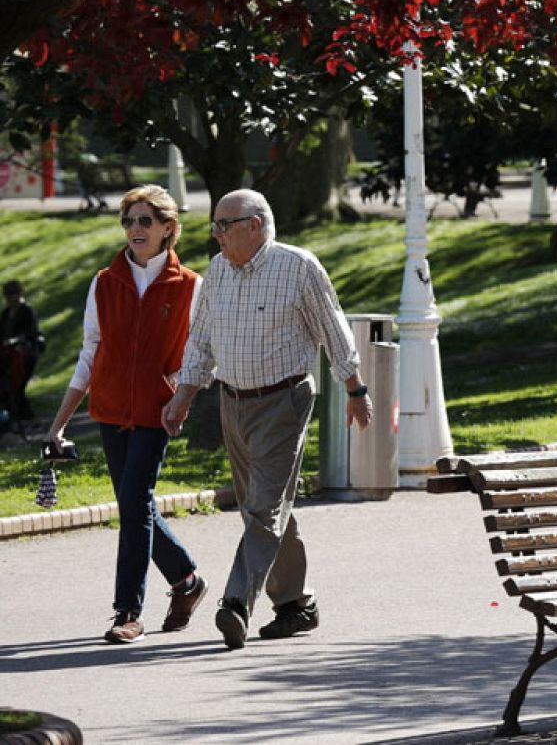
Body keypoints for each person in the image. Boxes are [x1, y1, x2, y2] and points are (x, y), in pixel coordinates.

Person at [161, 189, 373, 650]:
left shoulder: (298, 267)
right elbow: (200, 342)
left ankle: (236, 602)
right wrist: (184, 396)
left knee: (262, 507)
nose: (215, 234)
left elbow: (334, 331)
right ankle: (297, 604)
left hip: (284, 400)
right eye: (215, 225)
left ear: (254, 225)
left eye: (224, 225)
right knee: (264, 505)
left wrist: (355, 389)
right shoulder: (218, 271)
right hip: (232, 402)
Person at [41, 186, 209, 644]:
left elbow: (197, 354)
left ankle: (127, 612)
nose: (136, 229)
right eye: (130, 221)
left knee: (135, 500)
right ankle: (187, 581)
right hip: (111, 409)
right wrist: (58, 423)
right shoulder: (105, 282)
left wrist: (181, 396)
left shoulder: (191, 286)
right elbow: (89, 353)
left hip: (159, 413)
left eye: (145, 221)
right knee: (136, 504)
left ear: (167, 229)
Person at [1, 280, 45, 430]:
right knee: (9, 386)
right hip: (9, 354)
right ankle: (19, 418)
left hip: (26, 352)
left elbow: (30, 332)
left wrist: (15, 340)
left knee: (18, 385)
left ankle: (28, 418)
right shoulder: (6, 313)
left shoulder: (27, 310)